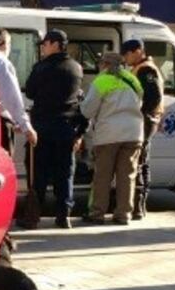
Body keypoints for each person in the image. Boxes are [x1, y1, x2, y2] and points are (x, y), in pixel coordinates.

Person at [25, 29, 85, 229]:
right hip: (66, 128)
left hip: (42, 128)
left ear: (55, 44)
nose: (42, 47)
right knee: (65, 174)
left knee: (39, 173)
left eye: (45, 43)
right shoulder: (76, 68)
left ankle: (33, 216)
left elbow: (31, 91)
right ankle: (63, 216)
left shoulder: (42, 67)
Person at [80, 52, 145, 225]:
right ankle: (123, 215)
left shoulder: (101, 81)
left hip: (109, 135)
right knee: (127, 175)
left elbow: (87, 111)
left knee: (103, 175)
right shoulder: (133, 80)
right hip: (134, 133)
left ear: (105, 64)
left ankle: (97, 213)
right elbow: (140, 102)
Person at [120, 38, 164, 220]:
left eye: (127, 54)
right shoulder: (142, 67)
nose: (125, 59)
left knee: (139, 162)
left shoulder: (146, 69)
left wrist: (139, 113)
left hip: (145, 120)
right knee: (140, 161)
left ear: (137, 51)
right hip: (146, 119)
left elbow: (153, 97)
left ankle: (139, 206)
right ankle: (138, 205)